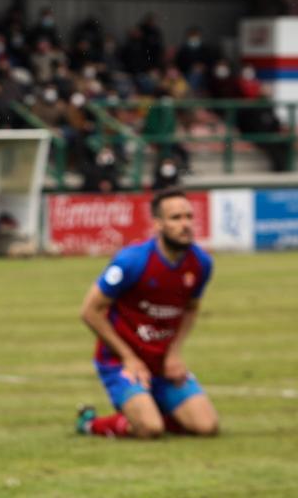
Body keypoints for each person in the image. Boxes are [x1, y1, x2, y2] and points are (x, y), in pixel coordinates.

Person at [77, 188, 218, 439]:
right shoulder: (132, 261)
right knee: (150, 429)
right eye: (176, 218)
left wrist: (174, 353)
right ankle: (91, 423)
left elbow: (191, 308)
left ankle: (151, 408)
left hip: (162, 362)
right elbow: (90, 311)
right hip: (120, 361)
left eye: (188, 216)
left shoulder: (201, 264)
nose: (185, 224)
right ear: (157, 224)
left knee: (207, 427)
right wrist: (129, 357)